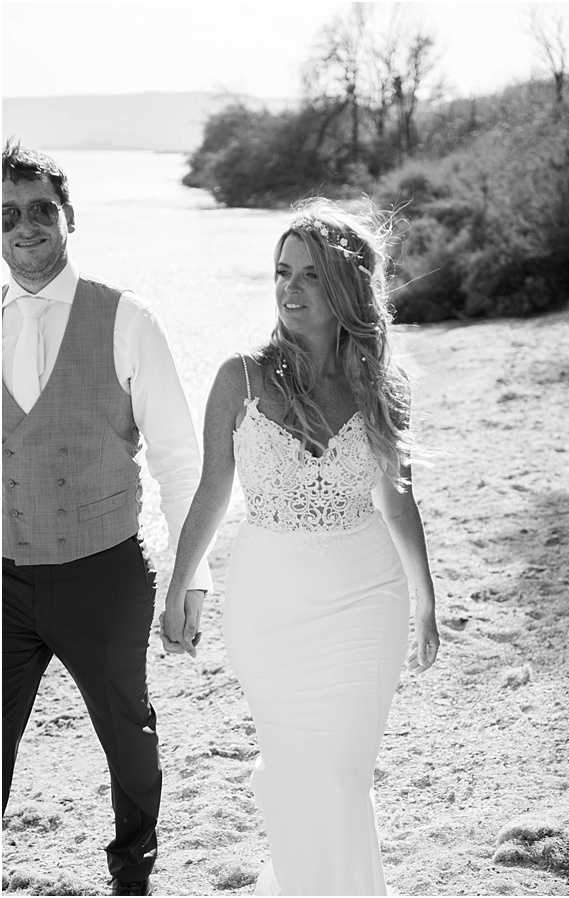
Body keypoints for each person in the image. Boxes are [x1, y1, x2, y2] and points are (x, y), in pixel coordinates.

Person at [162, 197, 439, 895]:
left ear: (345, 287)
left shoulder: (380, 386)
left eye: (310, 275)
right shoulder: (239, 378)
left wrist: (427, 602)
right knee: (295, 771)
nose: (289, 287)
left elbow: (398, 499)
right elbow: (212, 493)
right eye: (282, 271)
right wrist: (180, 587)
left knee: (344, 775)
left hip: (365, 598)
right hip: (270, 607)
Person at [2, 140, 212, 897]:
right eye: (7, 214)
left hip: (104, 572)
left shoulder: (126, 318)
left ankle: (133, 868)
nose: (24, 226)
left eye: (39, 210)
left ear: (68, 217)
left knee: (128, 736)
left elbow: (179, 460)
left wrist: (191, 579)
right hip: (6, 579)